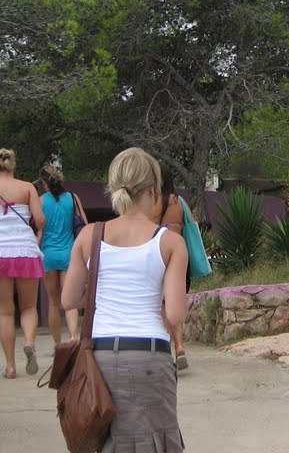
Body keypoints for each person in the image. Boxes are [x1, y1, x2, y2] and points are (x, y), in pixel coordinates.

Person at [63, 147, 188, 451]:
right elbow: (174, 314)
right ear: (152, 190)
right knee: (155, 442)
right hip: (149, 355)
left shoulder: (89, 236)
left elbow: (69, 299)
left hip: (100, 357)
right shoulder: (170, 242)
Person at [0, 147, 45, 378]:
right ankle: (30, 343)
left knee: (5, 312)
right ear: (14, 164)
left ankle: (10, 367)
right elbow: (40, 220)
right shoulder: (28, 188)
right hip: (25, 250)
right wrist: (35, 231)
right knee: (29, 307)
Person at [36, 163, 87, 346]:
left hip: (48, 255)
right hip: (69, 254)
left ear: (43, 182)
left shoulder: (40, 201)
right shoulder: (72, 198)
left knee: (53, 303)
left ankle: (58, 344)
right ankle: (73, 337)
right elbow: (84, 225)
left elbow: (39, 232)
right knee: (70, 301)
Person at [158, 163, 190, 370]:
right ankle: (180, 345)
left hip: (162, 253)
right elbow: (191, 223)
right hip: (180, 252)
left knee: (161, 304)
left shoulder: (156, 202)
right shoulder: (180, 202)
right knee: (175, 300)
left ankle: (173, 344)